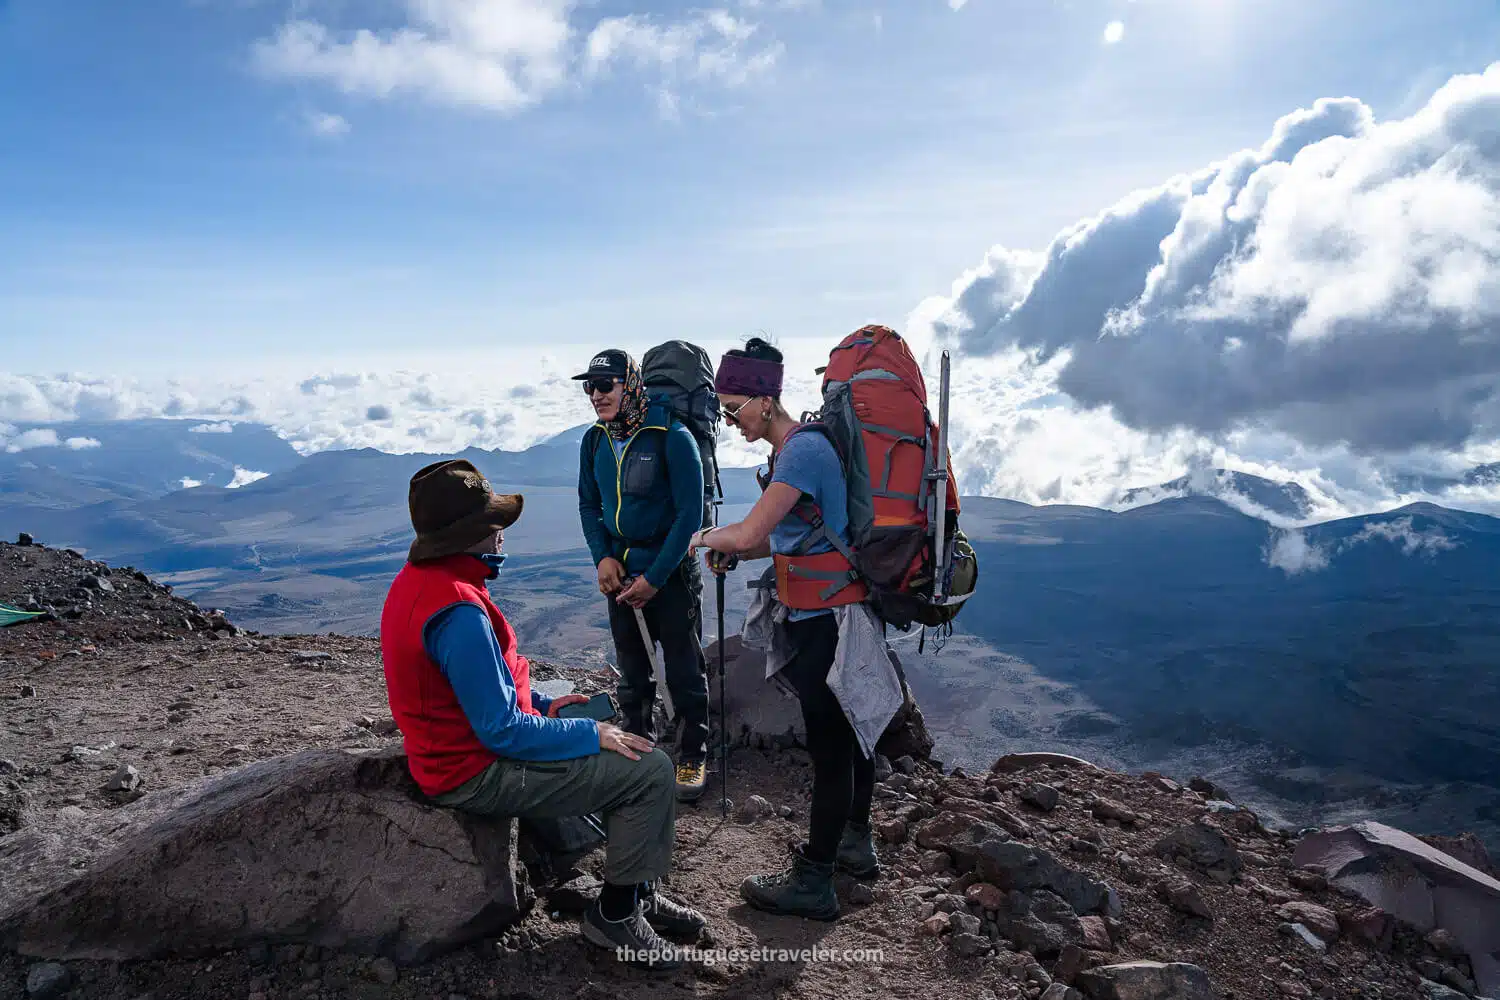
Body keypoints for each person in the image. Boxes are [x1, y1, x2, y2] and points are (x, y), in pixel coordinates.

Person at [380, 458, 707, 969]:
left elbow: (485, 690)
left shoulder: (427, 584)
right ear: (466, 535)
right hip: (471, 772)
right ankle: (616, 916)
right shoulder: (457, 612)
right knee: (650, 772)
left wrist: (549, 707)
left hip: (463, 752)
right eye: (492, 525)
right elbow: (501, 730)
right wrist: (585, 733)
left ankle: (638, 892)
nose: (502, 535)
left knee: (622, 748)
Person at [688, 338, 878, 922]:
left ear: (765, 399)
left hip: (828, 619)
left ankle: (816, 880)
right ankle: (854, 841)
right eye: (723, 411)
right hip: (831, 611)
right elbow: (787, 538)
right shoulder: (800, 452)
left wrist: (705, 540)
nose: (730, 421)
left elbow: (747, 534)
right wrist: (739, 554)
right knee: (848, 729)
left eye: (733, 408)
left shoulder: (801, 453)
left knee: (830, 742)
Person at [575, 349, 711, 802]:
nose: (596, 395)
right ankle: (636, 747)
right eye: (589, 387)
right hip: (620, 575)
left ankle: (692, 752)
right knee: (633, 671)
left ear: (630, 383)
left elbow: (689, 515)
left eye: (606, 384)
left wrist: (654, 577)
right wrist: (602, 558)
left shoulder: (672, 437)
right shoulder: (595, 441)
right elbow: (589, 506)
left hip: (669, 576)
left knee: (684, 667)